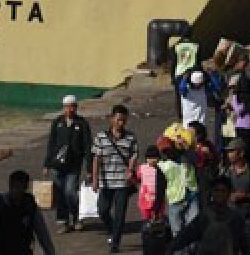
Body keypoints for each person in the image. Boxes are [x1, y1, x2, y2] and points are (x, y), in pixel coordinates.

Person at [90, 104, 139, 250]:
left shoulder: (131, 137)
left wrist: (130, 169)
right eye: (118, 120)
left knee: (120, 213)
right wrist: (95, 180)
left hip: (123, 183)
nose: (121, 123)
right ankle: (112, 229)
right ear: (111, 119)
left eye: (123, 120)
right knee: (102, 210)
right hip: (106, 182)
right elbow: (96, 159)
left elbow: (133, 155)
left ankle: (115, 242)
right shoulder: (101, 137)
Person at [43, 95, 92, 233]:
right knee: (59, 193)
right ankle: (63, 221)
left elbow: (88, 146)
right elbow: (51, 144)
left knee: (70, 192)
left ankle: (77, 217)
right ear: (63, 107)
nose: (70, 109)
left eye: (72, 106)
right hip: (58, 165)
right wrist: (46, 164)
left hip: (73, 165)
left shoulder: (82, 124)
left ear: (76, 107)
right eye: (67, 106)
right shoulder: (57, 123)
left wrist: (89, 168)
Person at [170, 175, 250, 255]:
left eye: (223, 191)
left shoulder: (236, 218)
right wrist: (170, 248)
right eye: (216, 190)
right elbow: (185, 236)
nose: (219, 194)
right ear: (212, 192)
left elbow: (246, 246)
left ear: (229, 193)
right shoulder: (204, 217)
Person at [0, 169, 57, 255]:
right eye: (13, 187)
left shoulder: (30, 204)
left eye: (19, 187)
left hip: (23, 250)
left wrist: (50, 252)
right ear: (9, 185)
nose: (15, 191)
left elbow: (42, 232)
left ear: (25, 188)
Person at [136, 146, 170, 255]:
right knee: (146, 224)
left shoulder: (162, 168)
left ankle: (158, 245)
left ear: (158, 158)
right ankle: (147, 243)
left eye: (154, 158)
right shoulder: (142, 168)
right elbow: (137, 179)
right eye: (149, 158)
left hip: (158, 201)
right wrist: (131, 177)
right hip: (144, 201)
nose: (152, 160)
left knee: (158, 223)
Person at [224, 138, 250, 243]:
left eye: (231, 151)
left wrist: (245, 196)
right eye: (228, 152)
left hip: (247, 215)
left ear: (241, 153)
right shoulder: (226, 171)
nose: (228, 154)